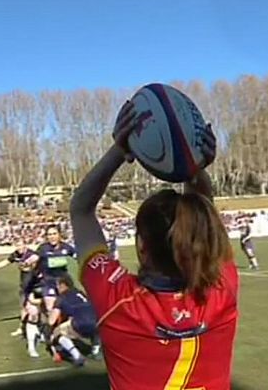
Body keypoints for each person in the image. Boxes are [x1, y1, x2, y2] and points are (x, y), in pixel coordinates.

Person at [69, 100, 238, 390]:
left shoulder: (116, 299)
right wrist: (193, 167)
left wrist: (120, 150)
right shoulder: (222, 289)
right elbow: (203, 222)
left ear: (142, 246)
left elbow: (81, 210)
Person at [0, 238, 39, 336]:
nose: (19, 248)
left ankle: (42, 328)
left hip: (36, 284)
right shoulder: (16, 254)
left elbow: (35, 259)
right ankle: (22, 328)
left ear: (25, 245)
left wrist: (28, 264)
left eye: (20, 245)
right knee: (23, 306)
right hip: (24, 284)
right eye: (17, 246)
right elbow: (5, 262)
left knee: (40, 307)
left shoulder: (31, 254)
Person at [48, 275, 101, 366]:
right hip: (98, 322)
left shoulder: (61, 298)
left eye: (57, 285)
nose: (57, 288)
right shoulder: (80, 293)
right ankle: (95, 351)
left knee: (57, 333)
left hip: (80, 324)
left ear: (63, 285)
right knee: (92, 323)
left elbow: (51, 321)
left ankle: (77, 356)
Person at [33, 226, 76, 312]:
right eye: (49, 234)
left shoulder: (66, 247)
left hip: (63, 281)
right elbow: (34, 258)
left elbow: (77, 256)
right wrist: (27, 262)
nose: (52, 237)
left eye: (54, 234)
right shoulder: (43, 248)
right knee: (51, 308)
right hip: (48, 281)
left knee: (68, 306)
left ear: (59, 235)